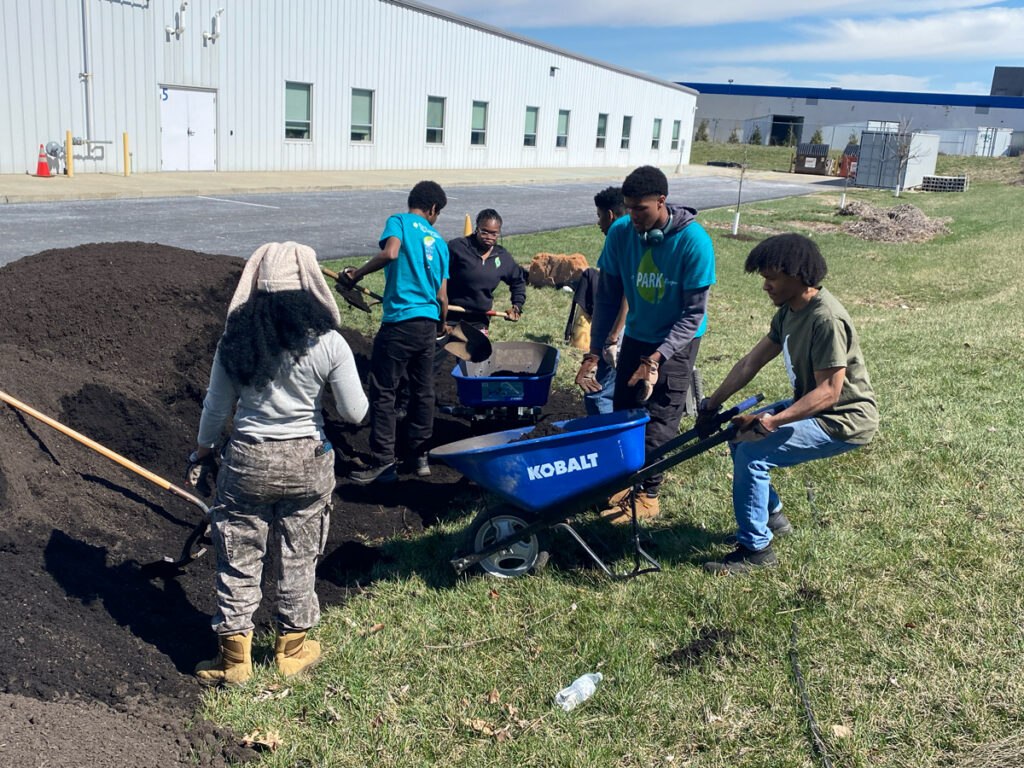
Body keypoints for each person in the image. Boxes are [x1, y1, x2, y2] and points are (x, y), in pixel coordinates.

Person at [187, 241, 369, 687]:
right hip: (308, 460)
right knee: (300, 553)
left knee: (239, 555)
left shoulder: (235, 341)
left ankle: (234, 660)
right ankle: (292, 651)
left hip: (247, 460)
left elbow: (215, 408)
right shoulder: (329, 343)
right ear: (310, 286)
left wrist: (203, 452)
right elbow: (354, 412)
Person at [698, 233, 877, 574]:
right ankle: (772, 517)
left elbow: (829, 392)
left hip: (843, 419)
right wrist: (712, 404)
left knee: (752, 453)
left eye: (771, 278)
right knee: (739, 435)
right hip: (816, 406)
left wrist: (771, 422)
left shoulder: (826, 319)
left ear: (797, 275)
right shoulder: (789, 312)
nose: (765, 285)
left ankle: (757, 551)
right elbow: (750, 362)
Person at [576, 166, 715, 523]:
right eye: (629, 207)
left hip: (677, 340)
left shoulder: (694, 242)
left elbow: (693, 315)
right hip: (637, 333)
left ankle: (649, 495)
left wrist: (654, 360)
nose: (634, 217)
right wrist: (594, 352)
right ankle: (627, 481)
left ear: (662, 202)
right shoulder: (621, 233)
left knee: (658, 417)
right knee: (624, 411)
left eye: (642, 209)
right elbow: (607, 299)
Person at [341, 180, 449, 484]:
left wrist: (356, 274)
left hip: (400, 323)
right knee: (422, 391)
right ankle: (419, 456)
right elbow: (443, 297)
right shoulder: (439, 242)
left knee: (384, 391)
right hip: (428, 325)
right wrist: (441, 323)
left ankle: (383, 462)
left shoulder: (398, 221)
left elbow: (390, 253)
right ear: (432, 209)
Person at [583, 186, 628, 416]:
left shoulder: (617, 232)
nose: (599, 222)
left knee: (598, 391)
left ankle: (605, 443)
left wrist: (609, 339)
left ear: (610, 215)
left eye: (599, 216)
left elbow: (626, 292)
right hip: (617, 331)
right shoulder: (630, 233)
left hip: (612, 332)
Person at [445, 209, 525, 331]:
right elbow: (437, 273)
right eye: (484, 232)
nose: (489, 237)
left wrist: (516, 307)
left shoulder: (502, 256)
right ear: (477, 228)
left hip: (480, 318)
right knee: (448, 349)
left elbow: (518, 281)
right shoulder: (457, 248)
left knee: (477, 349)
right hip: (450, 314)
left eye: (494, 234)